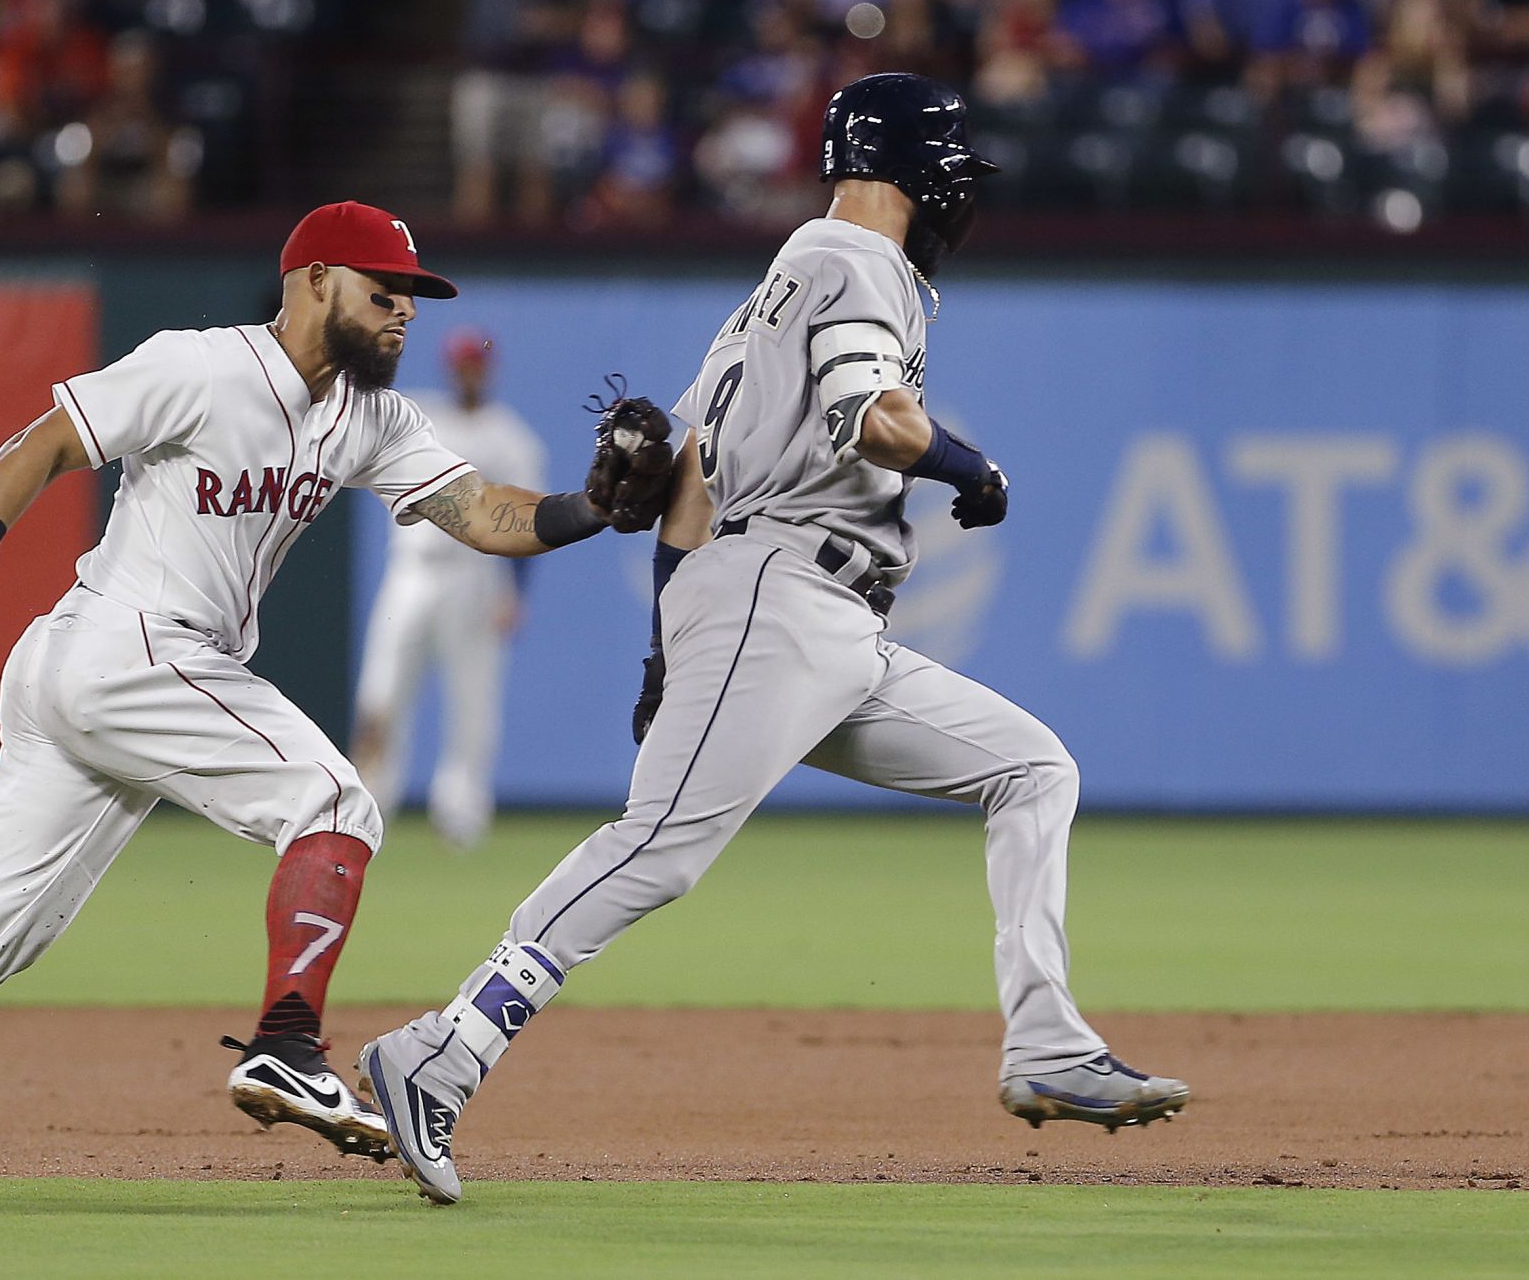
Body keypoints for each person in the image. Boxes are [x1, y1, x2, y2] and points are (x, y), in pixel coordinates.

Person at [0, 200, 662, 1192]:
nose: (406, 311)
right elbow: (43, 442)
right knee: (333, 801)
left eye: (413, 293)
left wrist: (594, 506)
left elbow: (487, 514)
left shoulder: (367, 414)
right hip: (127, 644)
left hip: (100, 675)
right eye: (385, 288)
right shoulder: (201, 364)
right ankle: (287, 1040)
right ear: (315, 278)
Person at [360, 74, 1191, 1206]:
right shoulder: (856, 262)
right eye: (949, 170)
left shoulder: (774, 287)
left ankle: (1044, 1040)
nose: (958, 195)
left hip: (809, 611)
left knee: (1031, 767)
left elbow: (681, 477)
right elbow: (871, 415)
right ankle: (439, 1050)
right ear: (914, 171)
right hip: (779, 593)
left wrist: (663, 650)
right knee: (657, 847)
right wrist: (969, 466)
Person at [352, 328, 546, 848]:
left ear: (489, 370)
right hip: (413, 568)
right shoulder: (421, 415)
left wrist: (516, 592)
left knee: (472, 699)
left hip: (474, 576)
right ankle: (367, 805)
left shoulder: (512, 437)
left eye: (475, 365)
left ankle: (462, 810)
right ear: (449, 367)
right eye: (461, 364)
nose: (468, 372)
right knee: (382, 688)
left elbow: (526, 518)